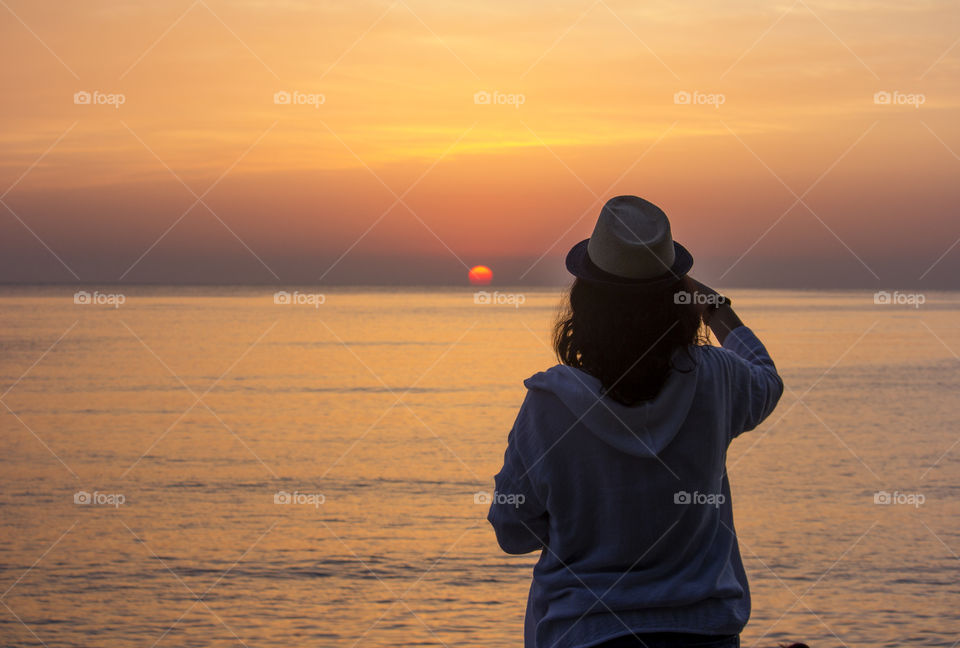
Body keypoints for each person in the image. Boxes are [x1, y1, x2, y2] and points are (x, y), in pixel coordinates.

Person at [488, 196, 784, 648]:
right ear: (677, 299)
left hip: (585, 633)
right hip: (703, 633)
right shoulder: (716, 379)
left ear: (585, 302)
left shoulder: (551, 404)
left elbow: (513, 531)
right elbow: (766, 377)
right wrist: (715, 307)